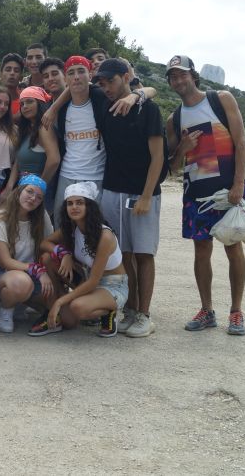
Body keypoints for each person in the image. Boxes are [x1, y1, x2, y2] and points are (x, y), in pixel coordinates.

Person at [165, 55, 245, 336]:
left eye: (182, 74)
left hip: (227, 191)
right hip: (195, 195)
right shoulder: (174, 119)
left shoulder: (221, 99)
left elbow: (241, 143)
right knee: (201, 252)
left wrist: (239, 185)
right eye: (173, 77)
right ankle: (207, 310)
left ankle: (236, 312)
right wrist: (182, 147)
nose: (178, 80)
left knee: (233, 247)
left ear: (193, 75)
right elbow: (172, 167)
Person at [92, 58, 164, 338]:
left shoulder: (149, 110)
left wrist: (147, 195)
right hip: (112, 189)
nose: (106, 87)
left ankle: (145, 314)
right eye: (102, 82)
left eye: (111, 80)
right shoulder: (104, 105)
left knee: (144, 254)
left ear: (125, 77)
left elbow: (157, 157)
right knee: (126, 254)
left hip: (141, 192)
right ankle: (132, 309)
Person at [41, 56, 154, 221]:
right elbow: (71, 89)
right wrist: (54, 108)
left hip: (97, 177)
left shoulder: (102, 99)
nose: (76, 76)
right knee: (63, 227)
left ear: (91, 74)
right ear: (65, 78)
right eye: (71, 73)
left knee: (97, 230)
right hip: (67, 175)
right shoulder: (62, 108)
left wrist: (134, 95)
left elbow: (151, 91)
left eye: (81, 71)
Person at [37, 182, 128, 336]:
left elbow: (94, 281)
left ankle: (108, 312)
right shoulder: (72, 227)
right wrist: (64, 253)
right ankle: (54, 309)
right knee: (48, 259)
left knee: (78, 307)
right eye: (70, 203)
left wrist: (61, 302)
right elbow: (44, 244)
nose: (74, 207)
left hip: (112, 285)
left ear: (89, 206)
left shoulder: (104, 235)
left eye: (80, 203)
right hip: (88, 279)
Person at [0, 174, 54, 333]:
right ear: (19, 191)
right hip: (3, 273)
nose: (32, 199)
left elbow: (50, 244)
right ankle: (7, 308)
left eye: (38, 197)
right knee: (21, 283)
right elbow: (5, 262)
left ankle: (21, 302)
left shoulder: (41, 217)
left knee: (61, 309)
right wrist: (38, 270)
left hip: (34, 273)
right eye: (29, 192)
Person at [12, 86, 60, 213]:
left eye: (29, 102)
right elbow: (18, 163)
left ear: (40, 103)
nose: (25, 106)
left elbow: (54, 159)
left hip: (38, 193)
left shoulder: (43, 128)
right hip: (24, 190)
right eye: (22, 104)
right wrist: (8, 188)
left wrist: (39, 186)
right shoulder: (27, 130)